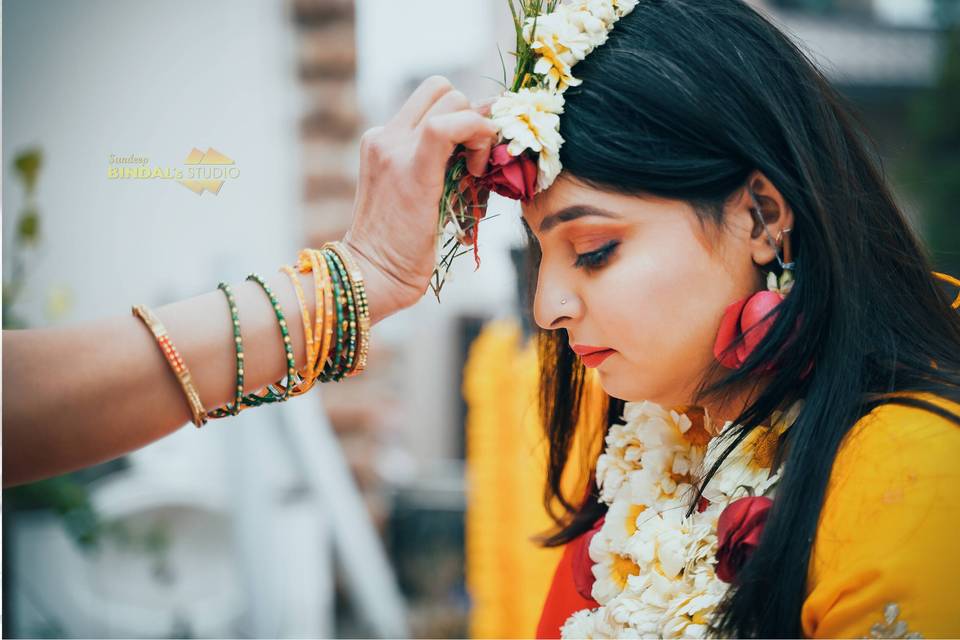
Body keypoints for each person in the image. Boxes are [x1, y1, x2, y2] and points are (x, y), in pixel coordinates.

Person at [3, 1, 960, 638]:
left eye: (593, 251)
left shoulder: (910, 480)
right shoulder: (658, 448)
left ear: (760, 211)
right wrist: (357, 276)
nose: (548, 308)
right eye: (539, 258)